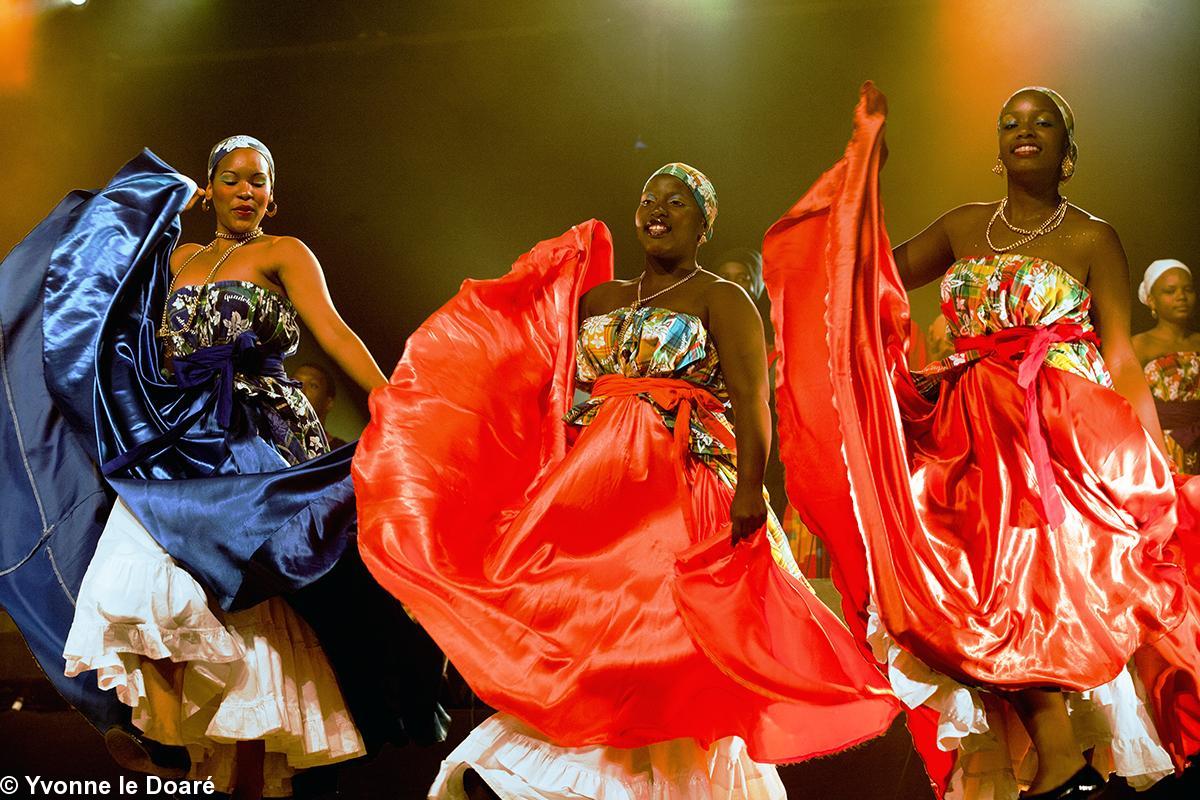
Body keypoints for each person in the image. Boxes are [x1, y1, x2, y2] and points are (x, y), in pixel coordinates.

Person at [353, 163, 901, 799]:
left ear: (704, 223)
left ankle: (646, 775)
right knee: (577, 622)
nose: (658, 211)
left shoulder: (721, 299)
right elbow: (539, 360)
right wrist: (545, 273)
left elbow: (754, 402)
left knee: (653, 635)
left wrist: (751, 488)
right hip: (592, 486)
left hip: (677, 483)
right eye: (649, 200)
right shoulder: (605, 299)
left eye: (678, 202)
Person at [765, 84, 1200, 800]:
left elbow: (1121, 355)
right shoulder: (963, 225)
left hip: (1060, 436)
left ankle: (1064, 763)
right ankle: (1054, 768)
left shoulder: (1094, 237)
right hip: (967, 434)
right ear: (998, 150)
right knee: (966, 589)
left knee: (1045, 587)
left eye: (1043, 123)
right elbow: (870, 275)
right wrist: (859, 188)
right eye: (1010, 123)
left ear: (1069, 153)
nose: (1024, 131)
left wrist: (1149, 455)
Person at [1, 136, 445, 798]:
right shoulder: (176, 257)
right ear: (210, 187)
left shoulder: (283, 252)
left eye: (258, 181)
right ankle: (149, 726)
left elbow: (334, 331)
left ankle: (254, 765)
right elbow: (103, 280)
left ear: (272, 193)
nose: (246, 191)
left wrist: (396, 405)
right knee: (132, 578)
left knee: (254, 614)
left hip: (262, 431)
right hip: (183, 434)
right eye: (231, 180)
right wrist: (162, 196)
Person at [1132, 259, 1200, 473]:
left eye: (1187, 289)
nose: (1181, 296)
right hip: (1160, 444)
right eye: (1170, 291)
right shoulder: (1139, 345)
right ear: (1151, 300)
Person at [294, 362, 349, 448]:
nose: (300, 391)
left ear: (328, 403)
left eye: (313, 386)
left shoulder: (342, 453)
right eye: (295, 382)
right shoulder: (271, 430)